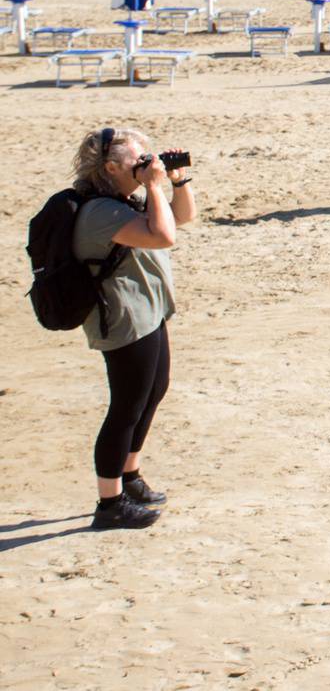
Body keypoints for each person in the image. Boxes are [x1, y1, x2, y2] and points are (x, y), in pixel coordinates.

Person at [70, 126, 196, 530]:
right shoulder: (100, 213)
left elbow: (181, 218)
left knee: (152, 393)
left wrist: (177, 182)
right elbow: (162, 236)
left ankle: (131, 476)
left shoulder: (123, 200)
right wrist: (154, 186)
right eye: (138, 162)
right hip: (123, 319)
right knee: (126, 407)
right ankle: (109, 504)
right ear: (110, 168)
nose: (148, 166)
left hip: (148, 312)